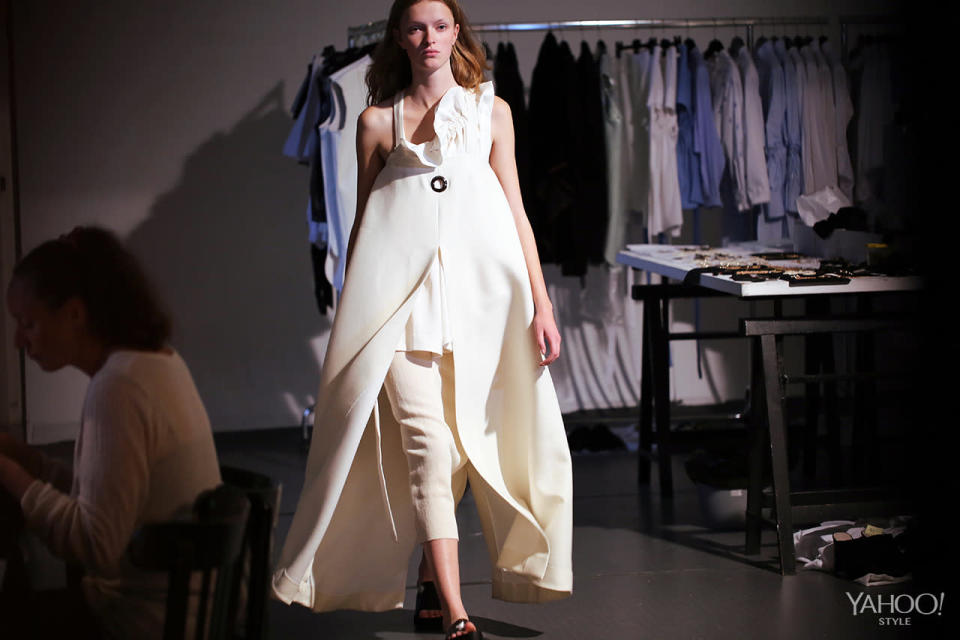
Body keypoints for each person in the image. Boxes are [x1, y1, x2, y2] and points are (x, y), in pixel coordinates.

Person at [271, 2, 573, 639]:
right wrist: (352, 314)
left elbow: (516, 212)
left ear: (456, 32)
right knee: (429, 455)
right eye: (416, 26)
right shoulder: (376, 123)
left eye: (440, 25)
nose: (429, 38)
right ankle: (459, 618)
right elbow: (365, 230)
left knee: (471, 448)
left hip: (481, 313)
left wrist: (542, 305)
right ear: (399, 37)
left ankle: (435, 584)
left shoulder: (491, 113)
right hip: (400, 321)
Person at [0, 226, 222, 639]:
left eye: (28, 324)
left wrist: (12, 477)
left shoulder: (118, 386)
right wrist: (28, 462)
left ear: (75, 314)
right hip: (190, 608)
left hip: (151, 622)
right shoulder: (155, 362)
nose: (18, 341)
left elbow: (97, 545)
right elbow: (109, 499)